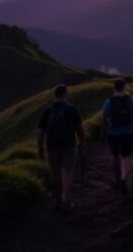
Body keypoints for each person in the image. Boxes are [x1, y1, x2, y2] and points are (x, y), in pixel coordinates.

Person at [37, 84, 86, 212]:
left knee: (56, 174)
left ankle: (58, 200)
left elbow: (41, 132)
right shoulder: (72, 109)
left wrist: (40, 148)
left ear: (55, 96)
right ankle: (66, 200)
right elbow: (79, 129)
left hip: (51, 146)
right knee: (68, 172)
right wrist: (82, 141)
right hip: (69, 145)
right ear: (65, 95)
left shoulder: (47, 111)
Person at [101, 78, 133, 196]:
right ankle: (124, 179)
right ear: (124, 87)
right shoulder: (130, 100)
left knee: (115, 156)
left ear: (114, 88)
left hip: (113, 133)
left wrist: (103, 133)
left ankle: (117, 180)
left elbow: (104, 119)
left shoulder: (109, 101)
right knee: (126, 157)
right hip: (128, 132)